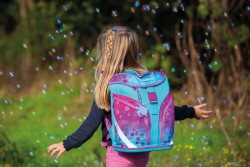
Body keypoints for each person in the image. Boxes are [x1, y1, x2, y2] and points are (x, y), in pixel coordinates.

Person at [47, 26, 213, 167]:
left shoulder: (107, 85)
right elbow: (164, 110)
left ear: (107, 52)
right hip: (141, 151)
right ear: (133, 50)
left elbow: (91, 124)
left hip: (118, 153)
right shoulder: (143, 81)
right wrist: (191, 111)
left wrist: (66, 144)